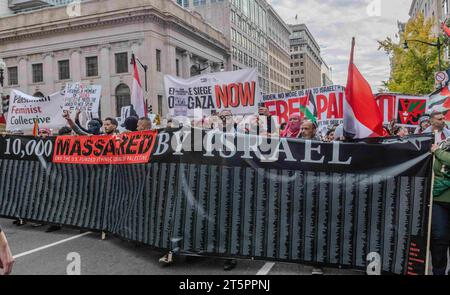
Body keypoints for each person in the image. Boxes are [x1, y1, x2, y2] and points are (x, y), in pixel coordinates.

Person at [430, 140, 450, 275]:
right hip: (438, 200)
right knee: (438, 239)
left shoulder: (438, 149)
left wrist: (437, 152)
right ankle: (438, 272)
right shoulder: (443, 144)